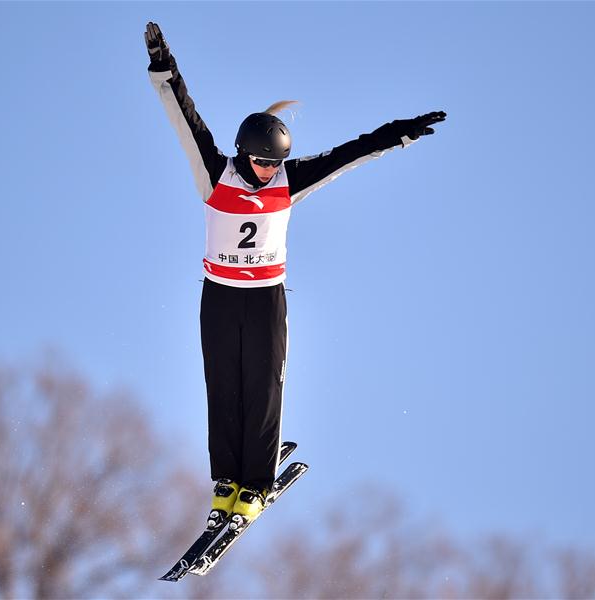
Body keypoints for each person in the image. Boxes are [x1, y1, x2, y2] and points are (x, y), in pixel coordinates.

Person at [144, 22, 446, 522]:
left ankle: (255, 485)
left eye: (274, 162)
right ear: (244, 153)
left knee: (263, 386)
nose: (267, 171)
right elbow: (183, 114)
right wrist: (161, 63)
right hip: (219, 296)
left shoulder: (290, 179)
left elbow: (352, 153)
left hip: (266, 299)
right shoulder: (214, 171)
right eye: (261, 162)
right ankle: (225, 481)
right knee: (223, 385)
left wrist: (401, 133)